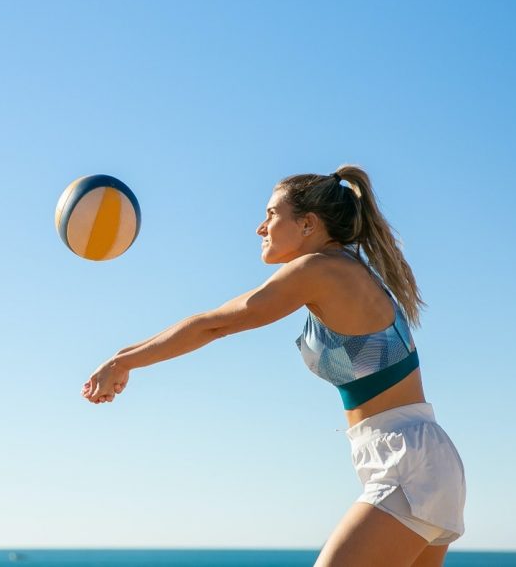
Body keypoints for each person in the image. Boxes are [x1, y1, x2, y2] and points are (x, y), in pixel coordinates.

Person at [81, 165, 467, 567]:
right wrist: (120, 358)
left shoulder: (319, 269)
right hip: (418, 458)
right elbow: (214, 318)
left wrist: (123, 361)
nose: (260, 228)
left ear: (307, 224)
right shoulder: (341, 270)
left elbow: (216, 324)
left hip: (407, 460)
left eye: (270, 214)